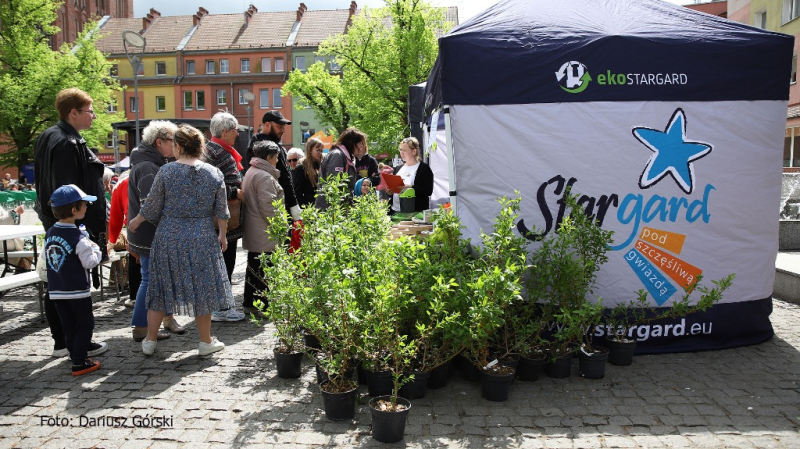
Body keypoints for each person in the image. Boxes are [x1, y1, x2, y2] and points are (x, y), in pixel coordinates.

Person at [128, 124, 234, 357]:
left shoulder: (166, 172)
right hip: (202, 236)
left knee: (161, 286)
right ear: (200, 147)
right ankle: (205, 342)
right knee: (202, 289)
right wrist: (223, 235)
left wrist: (136, 222)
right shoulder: (214, 173)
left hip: (169, 235)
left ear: (177, 146)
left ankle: (150, 340)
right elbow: (222, 209)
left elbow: (152, 206)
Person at [34, 87, 108, 358]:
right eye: (90, 111)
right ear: (73, 113)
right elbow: (65, 190)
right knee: (72, 288)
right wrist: (77, 225)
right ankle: (73, 342)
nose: (94, 116)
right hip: (69, 225)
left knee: (58, 281)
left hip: (58, 222)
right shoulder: (66, 141)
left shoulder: (49, 136)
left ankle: (63, 341)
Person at [127, 120, 182, 341]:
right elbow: (150, 207)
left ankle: (163, 319)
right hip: (150, 235)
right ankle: (141, 327)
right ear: (159, 142)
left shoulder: (150, 163)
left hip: (149, 234)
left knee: (157, 279)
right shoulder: (149, 167)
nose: (176, 145)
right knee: (149, 280)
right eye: (173, 140)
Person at [44, 185, 104, 375]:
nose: (87, 207)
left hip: (56, 290)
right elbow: (89, 262)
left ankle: (74, 354)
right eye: (84, 204)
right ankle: (79, 362)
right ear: (73, 210)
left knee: (68, 326)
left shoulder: (50, 232)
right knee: (84, 325)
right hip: (77, 291)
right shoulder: (78, 236)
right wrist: (97, 250)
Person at [204, 112, 246, 322]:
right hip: (221, 220)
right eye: (235, 129)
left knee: (226, 262)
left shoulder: (221, 149)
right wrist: (234, 192)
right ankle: (221, 307)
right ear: (225, 131)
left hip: (229, 218)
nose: (237, 134)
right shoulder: (212, 151)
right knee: (223, 263)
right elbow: (208, 186)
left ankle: (223, 305)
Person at [241, 140, 283, 315]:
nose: (278, 160)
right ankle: (263, 307)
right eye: (277, 157)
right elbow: (269, 207)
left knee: (254, 269)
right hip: (264, 231)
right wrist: (280, 227)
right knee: (263, 272)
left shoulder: (253, 171)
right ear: (269, 157)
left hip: (255, 229)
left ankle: (250, 304)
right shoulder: (264, 176)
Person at [244, 111, 301, 221]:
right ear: (267, 125)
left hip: (255, 207)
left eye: (283, 127)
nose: (283, 131)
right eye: (280, 126)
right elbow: (285, 179)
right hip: (274, 206)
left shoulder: (252, 144)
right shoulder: (273, 148)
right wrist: (295, 208)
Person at [107, 170, 140, 308]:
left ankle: (134, 298)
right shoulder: (154, 175)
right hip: (156, 228)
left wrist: (112, 241)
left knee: (135, 262)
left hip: (135, 231)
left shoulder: (120, 185)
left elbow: (115, 218)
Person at [314, 128, 366, 209]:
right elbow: (334, 185)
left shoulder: (346, 157)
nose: (361, 146)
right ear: (352, 143)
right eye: (359, 143)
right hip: (331, 210)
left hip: (337, 208)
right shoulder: (337, 156)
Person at [387, 137, 434, 213]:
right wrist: (389, 192)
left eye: (404, 150)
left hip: (415, 212)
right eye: (400, 150)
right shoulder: (398, 168)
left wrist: (410, 188)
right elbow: (393, 192)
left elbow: (428, 191)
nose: (401, 153)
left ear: (414, 151)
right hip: (395, 211)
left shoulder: (424, 168)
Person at [292, 137, 323, 208]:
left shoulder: (320, 165)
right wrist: (303, 208)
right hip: (308, 207)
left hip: (319, 205)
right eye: (318, 150)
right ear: (310, 150)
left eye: (321, 151)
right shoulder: (301, 167)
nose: (320, 153)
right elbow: (297, 192)